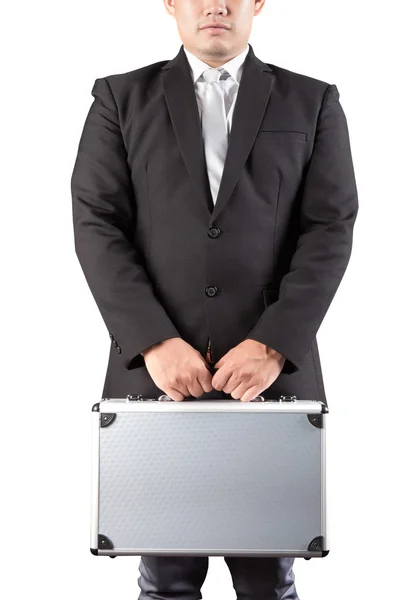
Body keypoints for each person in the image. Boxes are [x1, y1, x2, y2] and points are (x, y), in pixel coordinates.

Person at [71, 1, 358, 598]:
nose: (216, 6)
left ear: (258, 3)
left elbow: (330, 227)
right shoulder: (119, 98)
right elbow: (97, 222)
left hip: (272, 381)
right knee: (167, 578)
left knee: (267, 579)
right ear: (171, 3)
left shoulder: (313, 101)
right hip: (157, 378)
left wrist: (275, 343)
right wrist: (150, 339)